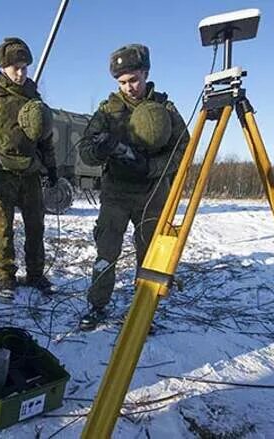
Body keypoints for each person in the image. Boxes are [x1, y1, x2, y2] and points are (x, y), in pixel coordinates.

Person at [77, 44, 190, 330]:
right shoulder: (107, 111)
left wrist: (151, 168)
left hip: (152, 193)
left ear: (146, 73)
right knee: (106, 251)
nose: (129, 87)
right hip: (116, 193)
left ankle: (143, 310)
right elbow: (85, 151)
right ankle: (97, 305)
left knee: (150, 254)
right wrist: (101, 149)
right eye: (122, 82)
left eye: (134, 80)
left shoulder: (165, 109)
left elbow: (183, 149)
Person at [0, 37, 57, 299]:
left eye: (24, 67)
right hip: (0, 171)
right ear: (3, 67)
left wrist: (51, 167)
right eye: (15, 67)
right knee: (3, 228)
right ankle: (6, 276)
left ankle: (36, 274)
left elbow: (45, 136)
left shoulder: (33, 96)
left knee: (36, 226)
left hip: (29, 171)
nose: (20, 72)